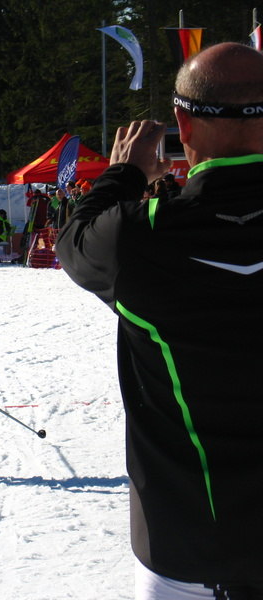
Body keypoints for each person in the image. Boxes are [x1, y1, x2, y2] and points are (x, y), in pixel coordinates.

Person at [56, 42, 263, 598]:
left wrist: (123, 173)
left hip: (187, 544)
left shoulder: (137, 236)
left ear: (181, 125)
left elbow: (74, 243)